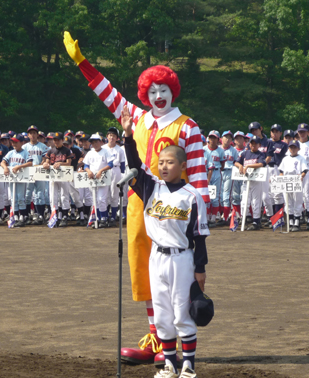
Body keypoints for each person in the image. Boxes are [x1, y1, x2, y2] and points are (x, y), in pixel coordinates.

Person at [64, 31, 209, 364]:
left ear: (173, 92)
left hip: (176, 212)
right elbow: (107, 93)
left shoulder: (189, 127)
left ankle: (175, 340)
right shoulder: (137, 117)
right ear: (146, 94)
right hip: (139, 205)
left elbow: (199, 178)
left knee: (178, 274)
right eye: (153, 91)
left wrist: (199, 226)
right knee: (145, 271)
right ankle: (157, 338)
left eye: (165, 90)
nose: (159, 96)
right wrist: (82, 63)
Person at [122, 106, 209, 378]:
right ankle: (169, 364)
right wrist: (128, 137)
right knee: (162, 315)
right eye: (161, 162)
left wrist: (200, 268)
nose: (164, 166)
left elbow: (199, 237)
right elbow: (136, 164)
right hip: (156, 259)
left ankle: (189, 367)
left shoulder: (191, 196)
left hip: (182, 258)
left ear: (182, 166)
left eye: (170, 162)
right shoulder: (151, 188)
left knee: (183, 313)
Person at [234, 135, 266, 230]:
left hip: (256, 180)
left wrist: (248, 166)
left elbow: (262, 164)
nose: (253, 145)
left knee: (256, 201)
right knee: (244, 201)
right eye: (252, 143)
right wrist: (240, 165)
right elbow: (236, 162)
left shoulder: (260, 154)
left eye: (255, 144)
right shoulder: (245, 153)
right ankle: (244, 219)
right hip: (246, 180)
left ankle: (256, 221)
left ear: (259, 145)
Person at [1, 134, 34, 227]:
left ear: (21, 142)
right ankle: (15, 217)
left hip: (21, 178)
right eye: (13, 142)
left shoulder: (25, 152)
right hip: (12, 178)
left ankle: (22, 217)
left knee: (20, 198)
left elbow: (30, 163)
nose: (14, 143)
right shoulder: (11, 152)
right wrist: (5, 168)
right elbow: (2, 161)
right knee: (13, 198)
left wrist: (20, 166)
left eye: (16, 142)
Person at [42, 131, 73, 227]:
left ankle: (64, 217)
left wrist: (60, 163)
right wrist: (45, 164)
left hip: (64, 175)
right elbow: (47, 162)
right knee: (53, 197)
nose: (56, 142)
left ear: (62, 140)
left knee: (64, 196)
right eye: (54, 140)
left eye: (58, 140)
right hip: (53, 176)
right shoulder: (51, 151)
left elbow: (69, 163)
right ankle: (54, 216)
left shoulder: (67, 150)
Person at [83, 133, 114, 228]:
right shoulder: (90, 152)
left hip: (103, 177)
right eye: (93, 142)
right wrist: (88, 171)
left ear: (100, 142)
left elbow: (111, 164)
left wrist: (101, 170)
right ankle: (96, 218)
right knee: (94, 199)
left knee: (102, 199)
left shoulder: (106, 151)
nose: (95, 144)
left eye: (96, 142)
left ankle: (103, 218)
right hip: (92, 178)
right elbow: (85, 165)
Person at [278, 141, 308, 231]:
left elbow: (305, 170)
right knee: (288, 202)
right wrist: (281, 178)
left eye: (295, 147)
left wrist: (301, 176)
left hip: (296, 180)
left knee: (297, 201)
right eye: (291, 147)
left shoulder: (301, 158)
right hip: (287, 181)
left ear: (298, 149)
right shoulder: (285, 159)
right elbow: (281, 171)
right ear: (289, 148)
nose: (293, 149)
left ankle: (297, 222)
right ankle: (290, 222)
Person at [23, 125, 49, 225]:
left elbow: (46, 158)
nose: (33, 135)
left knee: (39, 194)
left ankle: (40, 215)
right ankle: (27, 215)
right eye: (31, 133)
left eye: (34, 133)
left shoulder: (42, 146)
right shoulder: (25, 147)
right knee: (27, 194)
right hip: (28, 172)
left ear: (37, 134)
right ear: (28, 135)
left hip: (39, 171)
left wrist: (44, 162)